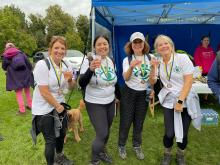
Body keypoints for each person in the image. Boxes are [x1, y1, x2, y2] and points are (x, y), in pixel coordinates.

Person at [154, 35, 201, 165]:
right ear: (157, 49)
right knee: (169, 133)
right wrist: (153, 67)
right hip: (169, 100)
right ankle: (167, 154)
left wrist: (180, 101)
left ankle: (180, 155)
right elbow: (153, 81)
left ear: (171, 45)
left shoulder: (182, 58)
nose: (163, 46)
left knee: (184, 133)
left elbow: (188, 80)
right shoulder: (158, 62)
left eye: (166, 43)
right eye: (160, 45)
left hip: (185, 99)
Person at [31, 36, 75, 165]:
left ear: (65, 51)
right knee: (50, 140)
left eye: (62, 48)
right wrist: (57, 106)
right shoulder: (42, 64)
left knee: (61, 134)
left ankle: (59, 156)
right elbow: (44, 91)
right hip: (44, 108)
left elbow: (72, 87)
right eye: (56, 48)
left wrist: (70, 80)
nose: (59, 51)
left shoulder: (67, 64)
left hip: (60, 103)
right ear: (50, 49)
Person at [78, 35, 118, 165]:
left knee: (107, 131)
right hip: (95, 102)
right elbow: (81, 83)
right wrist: (90, 69)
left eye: (105, 44)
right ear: (95, 47)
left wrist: (120, 97)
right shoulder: (88, 60)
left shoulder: (111, 60)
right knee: (102, 133)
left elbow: (113, 82)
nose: (102, 46)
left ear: (108, 46)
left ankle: (101, 152)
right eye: (99, 44)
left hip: (110, 101)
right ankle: (94, 161)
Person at [118, 32, 156, 160]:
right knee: (126, 121)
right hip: (129, 92)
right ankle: (122, 145)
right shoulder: (127, 59)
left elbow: (152, 81)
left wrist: (153, 69)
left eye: (140, 42)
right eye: (135, 42)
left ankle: (137, 145)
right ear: (131, 45)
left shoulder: (150, 57)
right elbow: (126, 78)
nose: (138, 44)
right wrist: (131, 67)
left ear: (144, 44)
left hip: (143, 93)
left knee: (139, 121)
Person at [2, 42, 34, 115]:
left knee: (18, 93)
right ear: (14, 46)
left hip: (14, 76)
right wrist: (31, 70)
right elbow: (28, 63)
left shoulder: (5, 55)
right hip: (25, 74)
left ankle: (22, 111)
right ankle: (30, 106)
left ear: (6, 48)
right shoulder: (21, 53)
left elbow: (4, 67)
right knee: (27, 91)